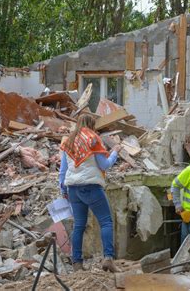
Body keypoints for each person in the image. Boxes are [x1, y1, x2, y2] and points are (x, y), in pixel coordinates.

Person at [58, 114, 121, 272]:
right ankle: (108, 258)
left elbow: (63, 170)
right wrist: (115, 152)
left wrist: (63, 189)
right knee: (106, 222)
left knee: (79, 225)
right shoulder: (93, 139)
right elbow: (104, 165)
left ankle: (77, 263)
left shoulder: (69, 141)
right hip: (91, 186)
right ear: (92, 124)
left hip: (73, 188)